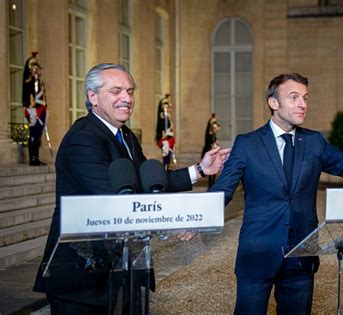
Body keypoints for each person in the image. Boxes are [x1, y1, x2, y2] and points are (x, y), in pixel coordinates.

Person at [32, 63, 229, 314]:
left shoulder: (125, 135)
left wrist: (199, 170)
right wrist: (177, 218)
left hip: (123, 271)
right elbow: (116, 200)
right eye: (116, 91)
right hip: (82, 278)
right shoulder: (82, 139)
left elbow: (149, 179)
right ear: (93, 97)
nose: (126, 98)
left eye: (130, 91)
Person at [209, 73, 343, 314]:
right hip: (258, 253)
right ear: (273, 103)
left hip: (302, 255)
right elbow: (223, 190)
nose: (302, 104)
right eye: (293, 97)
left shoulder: (314, 142)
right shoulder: (247, 143)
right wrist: (194, 219)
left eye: (305, 98)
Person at [22, 51, 47, 166]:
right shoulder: (29, 82)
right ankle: (32, 159)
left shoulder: (39, 83)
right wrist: (32, 59)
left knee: (37, 134)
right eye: (35, 69)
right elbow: (30, 98)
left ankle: (36, 157)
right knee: (33, 133)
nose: (38, 71)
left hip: (41, 110)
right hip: (32, 110)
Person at [155, 93, 176, 169]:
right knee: (166, 157)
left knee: (169, 158)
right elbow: (163, 130)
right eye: (167, 107)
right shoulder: (163, 118)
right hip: (165, 140)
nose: (169, 108)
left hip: (169, 139)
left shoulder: (168, 117)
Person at [201, 113, 221, 187]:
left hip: (214, 153)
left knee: (214, 171)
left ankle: (212, 184)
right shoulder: (209, 134)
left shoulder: (213, 135)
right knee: (211, 171)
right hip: (210, 153)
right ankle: (211, 184)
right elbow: (209, 144)